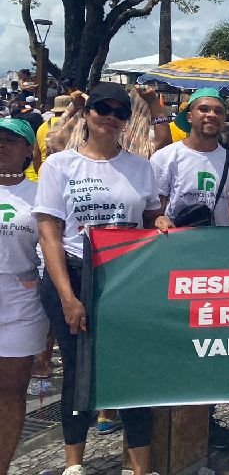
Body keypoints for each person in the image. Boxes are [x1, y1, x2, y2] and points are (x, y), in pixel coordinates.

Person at [33, 83, 163, 475]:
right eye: (102, 109)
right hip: (73, 275)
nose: (110, 117)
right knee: (77, 369)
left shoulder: (142, 166)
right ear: (87, 113)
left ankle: (139, 465)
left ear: (127, 120)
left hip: (124, 280)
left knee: (132, 369)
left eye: (119, 111)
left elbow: (150, 218)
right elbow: (49, 233)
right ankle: (75, 463)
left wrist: (161, 221)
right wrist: (68, 297)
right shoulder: (60, 164)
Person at [150, 88, 229, 450]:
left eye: (218, 110)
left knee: (210, 345)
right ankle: (167, 414)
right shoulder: (167, 157)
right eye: (204, 109)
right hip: (176, 262)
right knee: (175, 341)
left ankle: (206, 417)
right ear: (190, 113)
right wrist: (159, 221)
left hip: (217, 262)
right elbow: (153, 208)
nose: (211, 116)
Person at [0, 118, 48, 475]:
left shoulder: (38, 194)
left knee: (11, 393)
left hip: (20, 301)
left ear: (27, 150)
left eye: (11, 140)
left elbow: (48, 249)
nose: (2, 145)